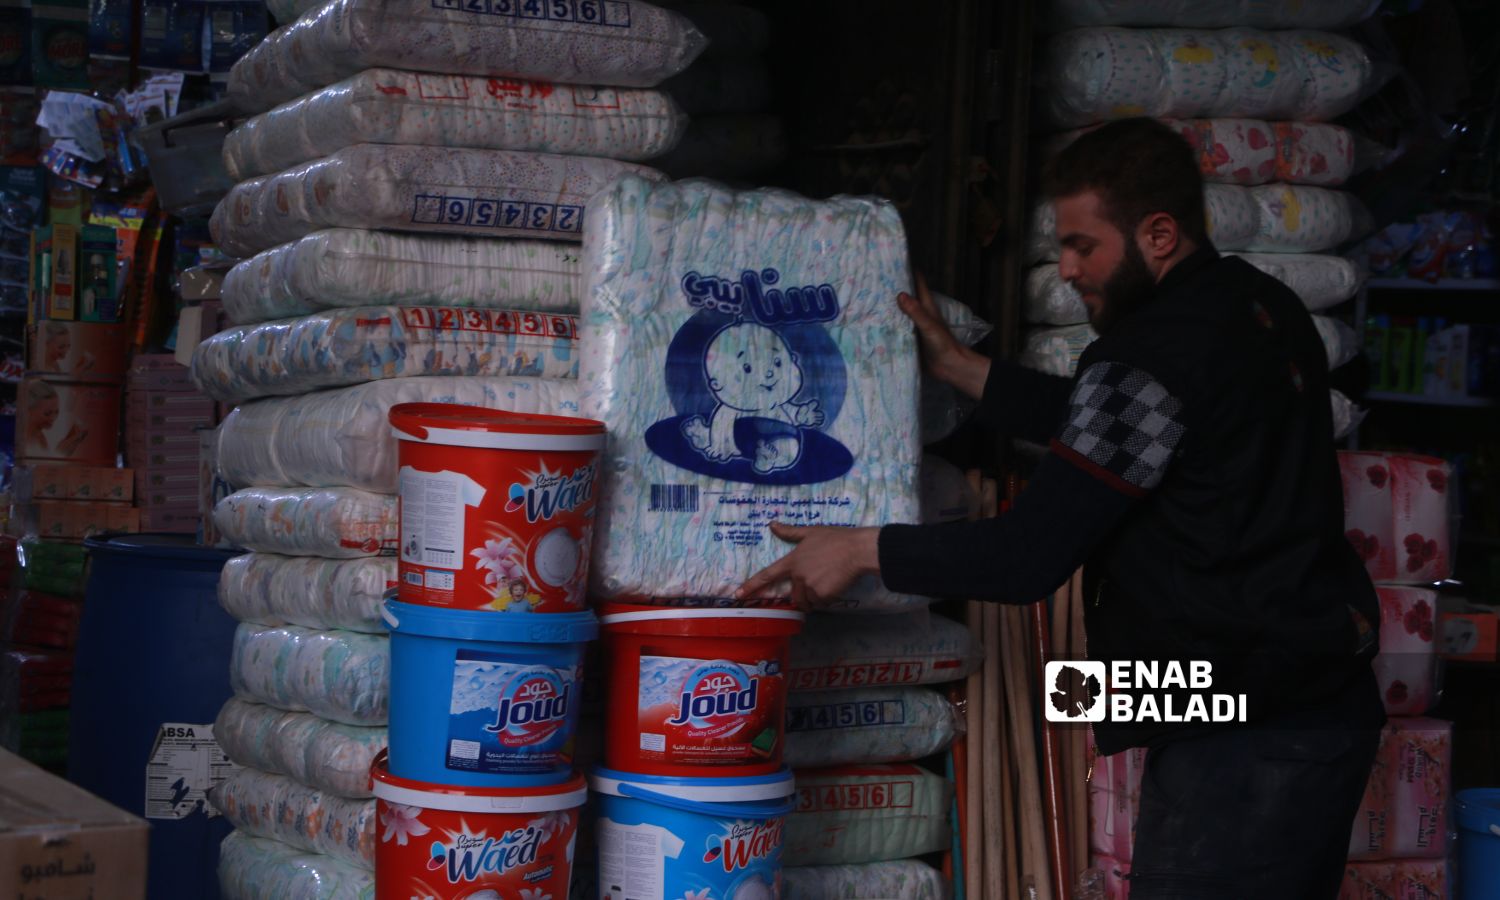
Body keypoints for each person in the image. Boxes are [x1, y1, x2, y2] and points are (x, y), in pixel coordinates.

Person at [737, 118, 1385, 899]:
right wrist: (967, 371)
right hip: (1323, 700)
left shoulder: (1145, 358)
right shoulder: (1260, 306)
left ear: (1159, 234)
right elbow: (1142, 424)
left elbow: (1025, 558)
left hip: (1239, 735)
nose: (1068, 268)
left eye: (1084, 245)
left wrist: (861, 548)